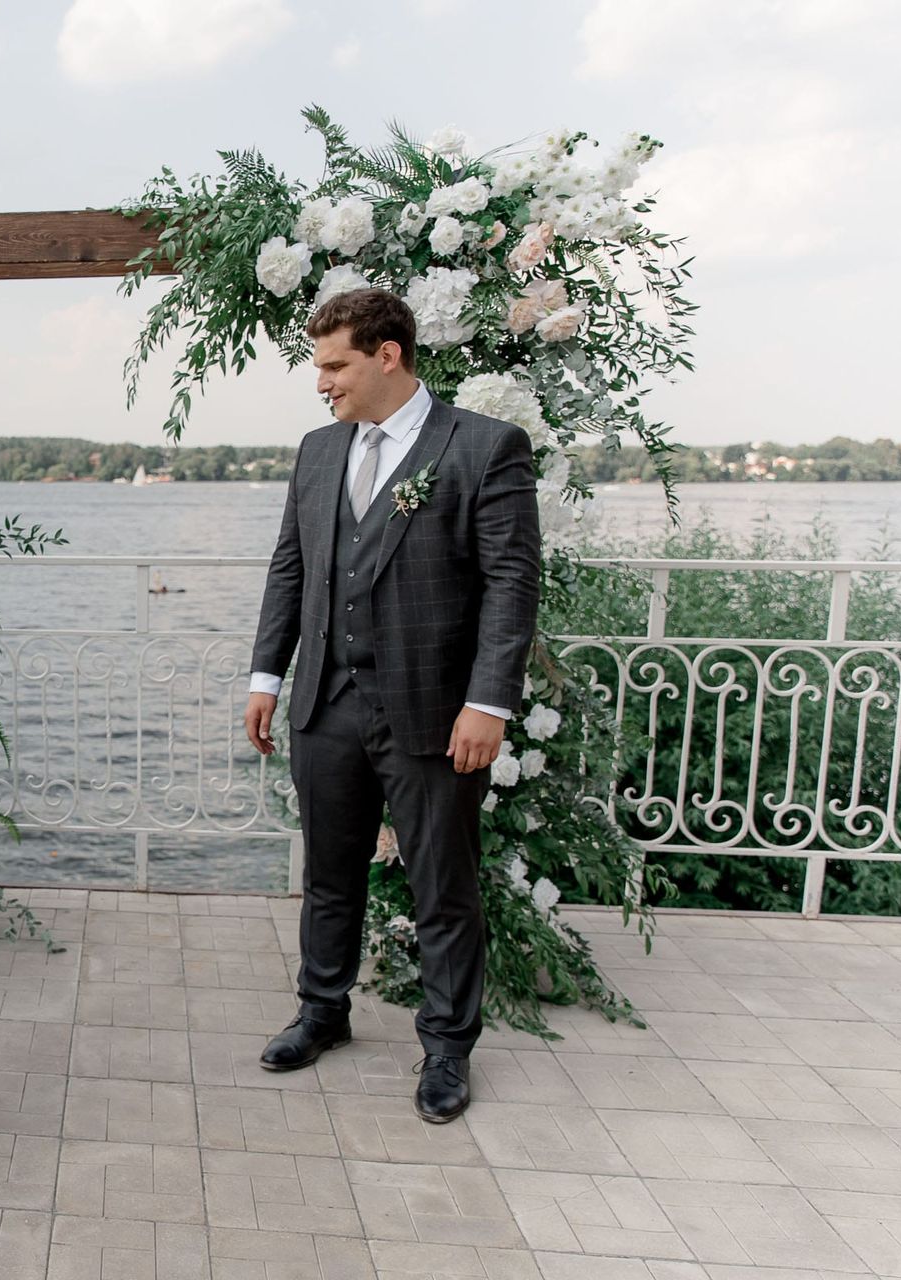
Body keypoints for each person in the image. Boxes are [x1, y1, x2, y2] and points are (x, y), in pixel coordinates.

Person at [246, 288, 540, 1124]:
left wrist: (489, 702)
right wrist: (266, 677)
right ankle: (322, 1012)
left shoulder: (483, 446)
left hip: (435, 710)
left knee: (442, 885)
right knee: (329, 876)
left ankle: (447, 1047)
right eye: (318, 366)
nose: (320, 383)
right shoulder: (316, 450)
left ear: (388, 355)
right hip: (326, 702)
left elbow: (512, 585)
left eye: (334, 364)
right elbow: (290, 568)